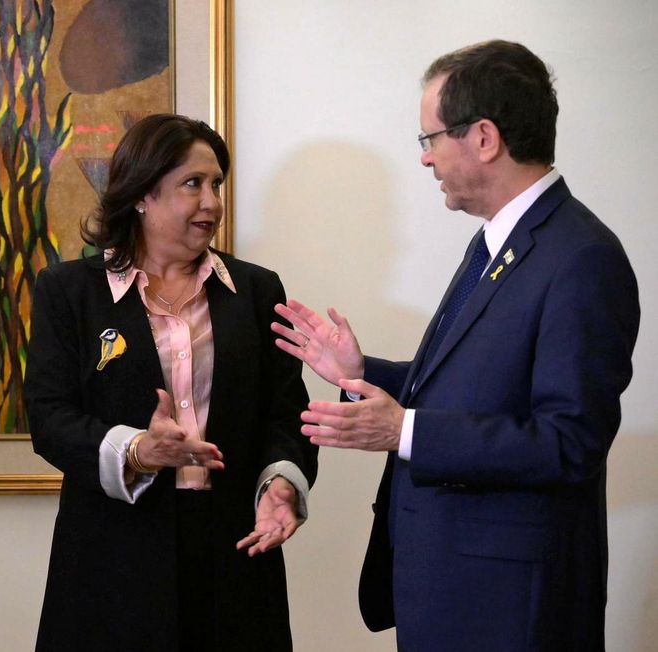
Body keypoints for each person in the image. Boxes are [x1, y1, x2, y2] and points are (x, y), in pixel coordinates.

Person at [274, 41, 639, 651]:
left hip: (508, 610)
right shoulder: (497, 241)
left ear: (485, 138)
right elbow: (476, 384)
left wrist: (405, 432)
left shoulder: (582, 258)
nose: (425, 159)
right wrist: (365, 373)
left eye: (430, 139)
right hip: (449, 589)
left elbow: (568, 441)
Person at [25, 113, 318, 651]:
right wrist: (137, 449)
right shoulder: (69, 291)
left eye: (216, 185)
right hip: (113, 556)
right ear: (142, 194)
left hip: (235, 549)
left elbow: (286, 413)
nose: (211, 202)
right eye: (193, 184)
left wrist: (281, 482)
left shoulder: (256, 290)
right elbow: (48, 418)